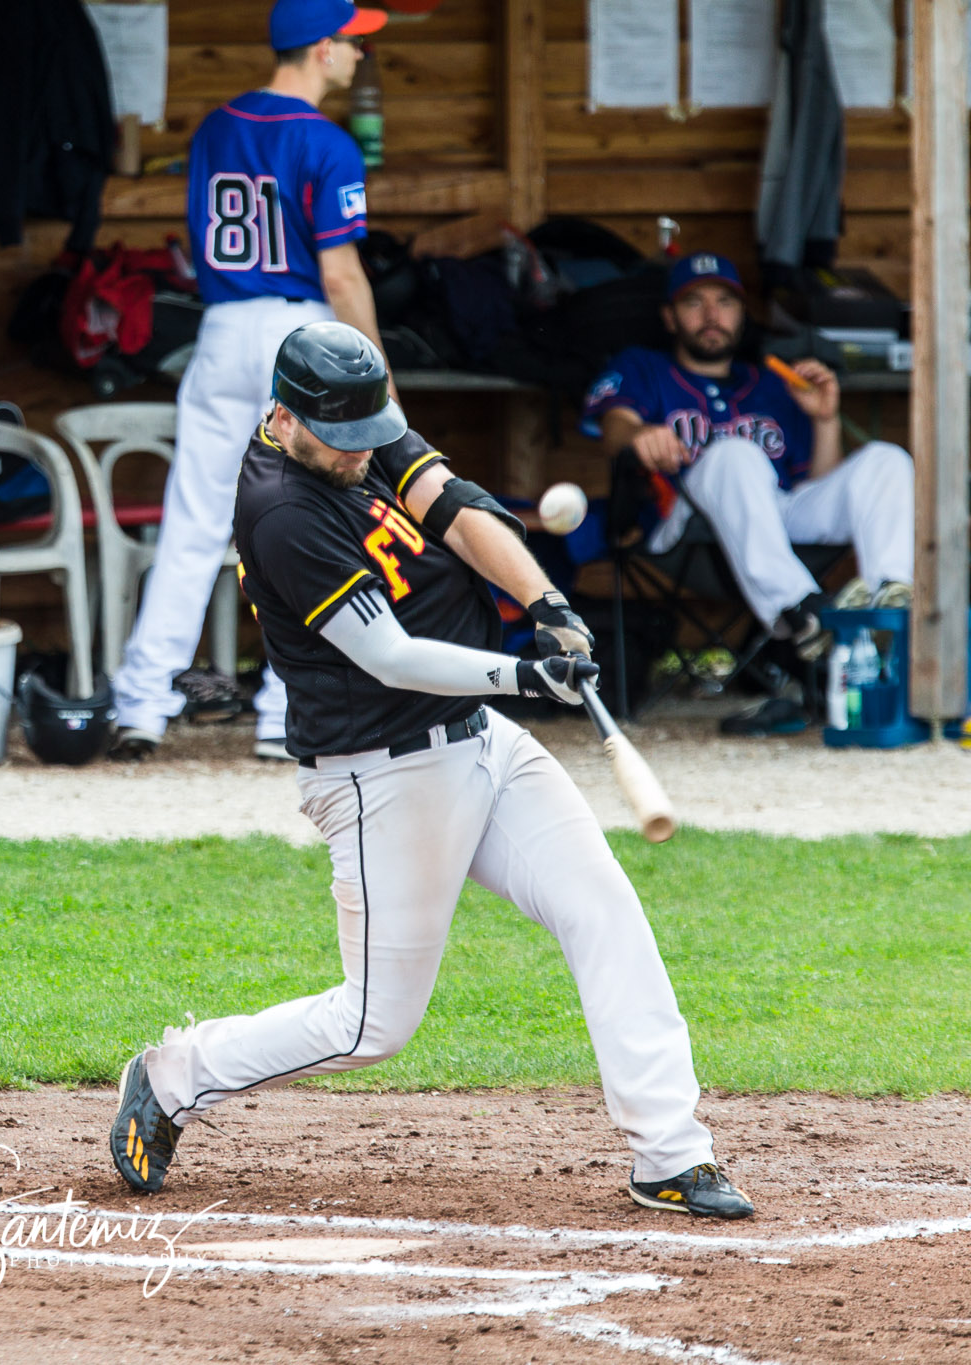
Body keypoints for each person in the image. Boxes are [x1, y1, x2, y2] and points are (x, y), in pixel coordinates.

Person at [109, 322, 752, 1221]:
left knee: (601, 906)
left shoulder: (355, 419)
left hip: (477, 737)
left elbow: (452, 505)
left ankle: (671, 1153)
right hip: (382, 775)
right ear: (286, 419)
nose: (360, 454)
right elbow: (391, 656)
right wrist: (531, 675)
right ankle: (176, 1072)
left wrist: (547, 601)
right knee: (374, 1023)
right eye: (342, 441)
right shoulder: (282, 510)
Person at [109, 0, 390, 765]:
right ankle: (282, 713)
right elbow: (340, 270)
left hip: (225, 323)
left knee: (195, 519)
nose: (359, 55)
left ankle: (141, 701)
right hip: (298, 331)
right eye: (351, 42)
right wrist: (377, 371)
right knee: (308, 520)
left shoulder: (215, 128)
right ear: (319, 50)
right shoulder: (327, 142)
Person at [582, 252, 913, 730]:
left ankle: (888, 610)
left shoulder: (772, 384)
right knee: (736, 454)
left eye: (725, 302)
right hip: (683, 526)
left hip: (772, 519)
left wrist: (823, 420)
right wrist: (638, 436)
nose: (712, 314)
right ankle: (800, 613)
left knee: (887, 460)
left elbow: (819, 488)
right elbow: (614, 429)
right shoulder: (644, 367)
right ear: (669, 317)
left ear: (742, 314)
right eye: (694, 302)